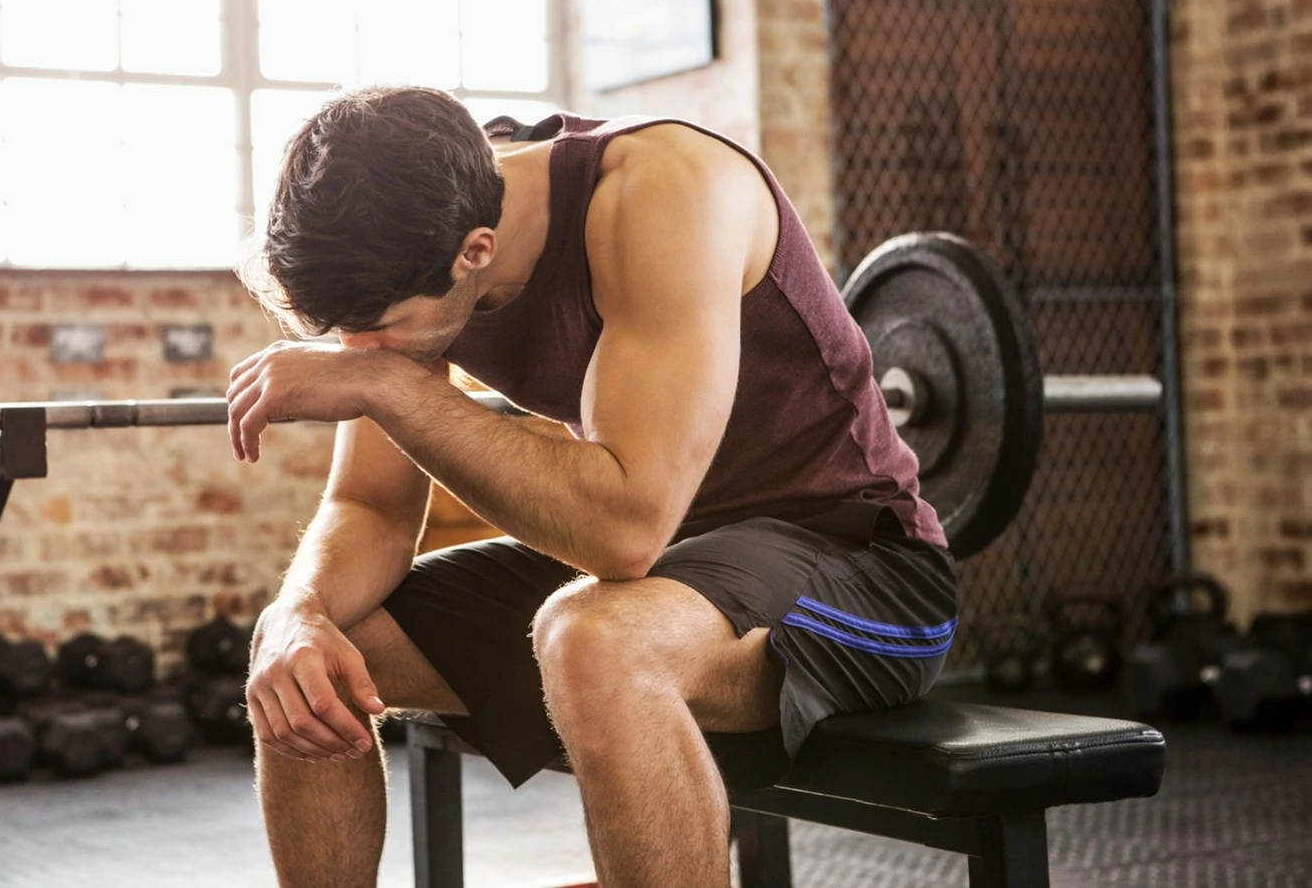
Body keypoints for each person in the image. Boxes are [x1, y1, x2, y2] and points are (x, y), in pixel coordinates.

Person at [226, 84, 958, 887]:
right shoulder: (417, 213)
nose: (361, 351)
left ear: (476, 250)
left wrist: (395, 392)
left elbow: (623, 532)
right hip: (669, 578)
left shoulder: (666, 192)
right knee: (302, 662)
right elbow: (368, 504)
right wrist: (301, 612)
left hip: (862, 569)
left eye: (380, 328)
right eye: (344, 335)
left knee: (594, 640)